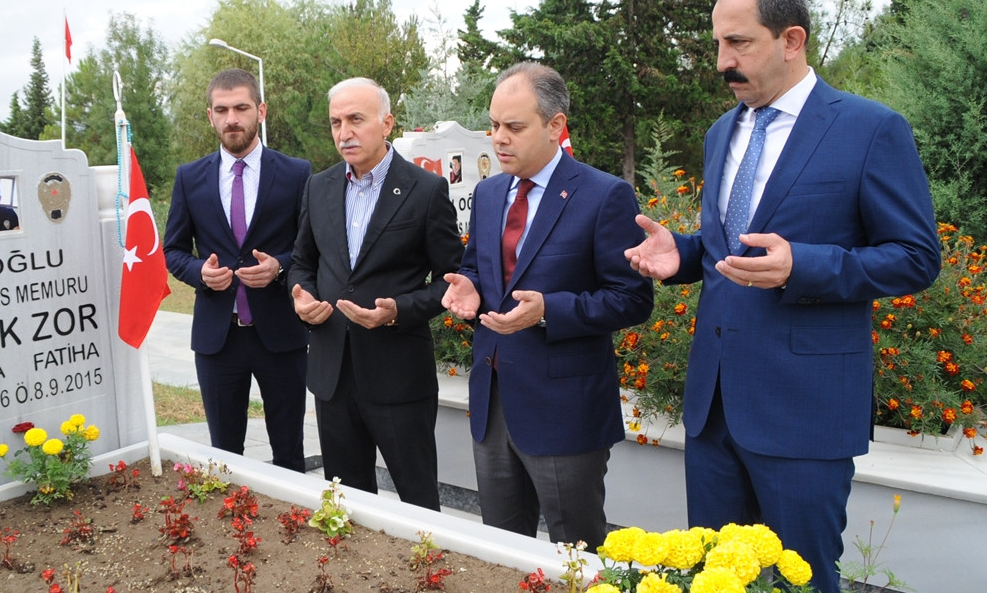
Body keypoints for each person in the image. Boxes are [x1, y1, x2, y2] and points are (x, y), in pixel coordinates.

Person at [624, 0, 941, 593]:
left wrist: (805, 266)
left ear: (791, 40)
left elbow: (916, 257)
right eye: (718, 44)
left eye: (738, 43)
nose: (722, 62)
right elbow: (732, 248)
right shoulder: (723, 132)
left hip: (805, 414)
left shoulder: (870, 129)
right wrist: (683, 254)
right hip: (715, 410)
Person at [441, 63, 654, 546]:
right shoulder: (489, 192)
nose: (499, 138)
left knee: (577, 556)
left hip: (565, 413)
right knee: (501, 553)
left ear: (556, 125)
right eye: (494, 124)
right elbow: (477, 268)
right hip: (493, 403)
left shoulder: (604, 196)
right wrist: (469, 287)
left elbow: (633, 298)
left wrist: (549, 311)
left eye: (514, 127)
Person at [289, 77, 463, 510]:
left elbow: (453, 279)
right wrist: (301, 295)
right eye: (336, 122)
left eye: (355, 119)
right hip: (333, 374)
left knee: (419, 504)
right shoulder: (318, 186)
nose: (344, 132)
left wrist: (398, 310)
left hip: (398, 375)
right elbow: (302, 261)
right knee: (346, 505)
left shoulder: (425, 190)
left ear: (386, 124)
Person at [164, 69, 312, 472]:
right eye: (222, 110)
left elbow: (312, 246)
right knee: (224, 458)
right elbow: (173, 250)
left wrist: (279, 267)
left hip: (280, 334)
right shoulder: (189, 177)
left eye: (241, 108)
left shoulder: (297, 173)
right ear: (210, 115)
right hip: (218, 338)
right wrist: (200, 272)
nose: (232, 119)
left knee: (289, 454)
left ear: (261, 111)